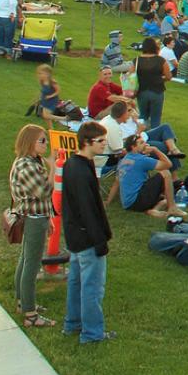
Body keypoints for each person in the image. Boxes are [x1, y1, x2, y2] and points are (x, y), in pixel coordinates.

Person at [61, 121, 115, 343]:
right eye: (100, 141)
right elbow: (88, 209)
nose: (105, 144)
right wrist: (99, 240)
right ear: (86, 142)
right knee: (92, 287)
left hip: (75, 236)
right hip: (87, 238)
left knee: (75, 282)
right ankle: (92, 333)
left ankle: (72, 324)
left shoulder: (72, 164)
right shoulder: (81, 170)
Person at [9, 124, 56, 328]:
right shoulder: (26, 166)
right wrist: (53, 166)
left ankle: (23, 302)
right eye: (42, 140)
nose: (46, 144)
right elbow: (44, 191)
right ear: (30, 142)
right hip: (33, 219)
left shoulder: (31, 162)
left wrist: (50, 218)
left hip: (36, 216)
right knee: (32, 264)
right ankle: (30, 314)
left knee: (25, 260)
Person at [116, 133, 182, 217]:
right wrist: (155, 150)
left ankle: (153, 210)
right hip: (137, 200)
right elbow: (168, 164)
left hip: (127, 204)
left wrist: (108, 201)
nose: (145, 144)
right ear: (133, 147)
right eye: (141, 143)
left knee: (166, 198)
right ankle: (172, 208)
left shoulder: (123, 160)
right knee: (166, 173)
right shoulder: (141, 159)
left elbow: (117, 183)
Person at [133, 37, 171, 128]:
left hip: (142, 91)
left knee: (143, 116)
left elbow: (131, 76)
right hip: (157, 91)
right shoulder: (161, 60)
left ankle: (140, 136)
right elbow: (168, 76)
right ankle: (154, 136)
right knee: (156, 117)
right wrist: (161, 79)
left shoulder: (136, 60)